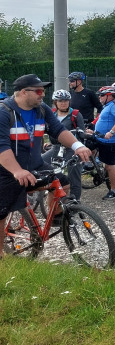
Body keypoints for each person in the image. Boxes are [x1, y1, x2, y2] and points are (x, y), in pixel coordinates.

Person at [0, 75, 93, 255]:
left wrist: (77, 146)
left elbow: (58, 130)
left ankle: (54, 216)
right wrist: (17, 171)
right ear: (23, 92)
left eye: (43, 90)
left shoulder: (41, 109)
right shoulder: (4, 112)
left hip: (36, 165)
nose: (42, 94)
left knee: (63, 183)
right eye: (38, 91)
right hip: (7, 171)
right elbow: (1, 147)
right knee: (1, 214)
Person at [42, 88, 89, 201]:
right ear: (55, 102)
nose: (63, 103)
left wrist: (81, 138)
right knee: (40, 163)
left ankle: (75, 201)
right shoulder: (52, 114)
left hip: (71, 148)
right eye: (60, 101)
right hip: (56, 147)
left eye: (66, 100)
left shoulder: (75, 114)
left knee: (74, 173)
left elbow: (81, 132)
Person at [92, 85, 115, 199]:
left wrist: (111, 132)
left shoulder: (113, 105)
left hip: (110, 141)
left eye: (102, 95)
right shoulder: (107, 106)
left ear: (109, 96)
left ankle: (114, 191)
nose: (99, 97)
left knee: (110, 166)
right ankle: (92, 166)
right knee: (88, 147)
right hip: (100, 138)